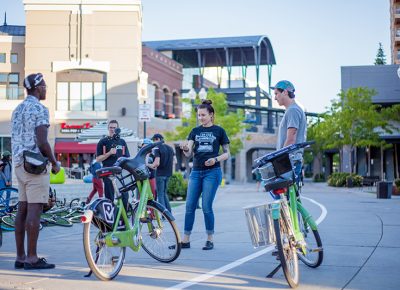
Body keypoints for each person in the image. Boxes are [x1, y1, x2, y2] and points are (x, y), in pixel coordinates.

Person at [11, 73, 61, 270]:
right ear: (37, 88)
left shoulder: (17, 109)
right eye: (44, 85)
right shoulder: (40, 109)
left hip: (18, 164)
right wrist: (55, 162)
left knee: (21, 210)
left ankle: (20, 256)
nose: (46, 89)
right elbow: (42, 141)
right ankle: (32, 258)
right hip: (34, 166)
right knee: (34, 210)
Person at [179, 100, 230, 250]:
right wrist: (184, 148)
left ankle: (210, 239)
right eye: (199, 115)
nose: (200, 118)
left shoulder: (219, 131)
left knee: (206, 206)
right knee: (190, 206)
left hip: (212, 172)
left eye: (203, 115)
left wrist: (215, 159)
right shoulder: (194, 131)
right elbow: (188, 152)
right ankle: (185, 240)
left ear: (211, 115)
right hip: (196, 172)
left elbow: (227, 154)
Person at [271, 80, 307, 183]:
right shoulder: (293, 110)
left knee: (278, 192)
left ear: (285, 92)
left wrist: (279, 159)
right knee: (290, 197)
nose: (275, 97)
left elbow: (291, 139)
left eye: (276, 93)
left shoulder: (293, 110)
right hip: (292, 161)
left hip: (290, 161)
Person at [96, 120, 130, 206]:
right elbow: (98, 159)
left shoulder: (122, 142)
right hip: (107, 172)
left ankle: (123, 217)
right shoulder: (103, 141)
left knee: (124, 196)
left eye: (114, 127)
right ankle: (110, 217)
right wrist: (109, 153)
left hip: (120, 173)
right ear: (108, 128)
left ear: (117, 129)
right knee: (109, 197)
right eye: (111, 127)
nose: (112, 129)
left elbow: (127, 157)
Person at [151, 133, 174, 213]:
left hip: (160, 174)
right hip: (168, 174)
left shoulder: (157, 148)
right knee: (164, 194)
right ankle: (169, 213)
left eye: (154, 140)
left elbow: (156, 163)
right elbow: (174, 161)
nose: (153, 142)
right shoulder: (170, 148)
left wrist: (148, 165)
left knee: (160, 195)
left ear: (158, 139)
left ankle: (164, 215)